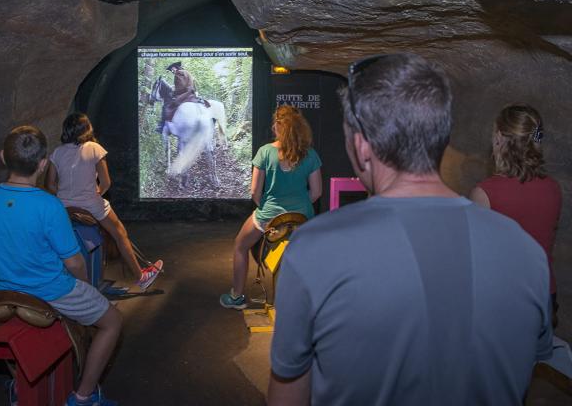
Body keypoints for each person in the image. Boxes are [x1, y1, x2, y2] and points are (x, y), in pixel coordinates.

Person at [268, 54, 553, 405]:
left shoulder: (314, 248)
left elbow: (289, 387)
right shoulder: (528, 254)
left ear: (361, 145)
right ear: (439, 136)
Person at [0, 125, 121, 406]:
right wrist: (87, 287)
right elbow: (74, 261)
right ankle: (83, 396)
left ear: (3, 158)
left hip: (1, 291)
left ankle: (20, 384)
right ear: (43, 165)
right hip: (48, 291)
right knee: (112, 323)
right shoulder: (49, 206)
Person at [220, 105, 322, 309]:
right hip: (301, 217)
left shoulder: (265, 152)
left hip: (270, 216)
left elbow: (254, 192)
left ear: (277, 126)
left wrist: (265, 209)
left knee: (240, 245)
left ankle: (237, 296)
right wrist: (297, 208)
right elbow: (317, 192)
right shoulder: (310, 154)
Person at [46, 113, 162, 291]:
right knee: (119, 233)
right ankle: (141, 277)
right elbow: (106, 182)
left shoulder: (57, 152)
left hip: (64, 206)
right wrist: (94, 193)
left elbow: (50, 184)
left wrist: (66, 195)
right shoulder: (94, 148)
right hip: (90, 204)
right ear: (86, 129)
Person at [470, 103, 562, 324]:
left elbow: (478, 258)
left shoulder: (484, 193)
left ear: (500, 138)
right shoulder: (553, 188)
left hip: (504, 302)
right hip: (544, 298)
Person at [156, 62, 210, 133]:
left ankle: (163, 126)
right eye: (171, 70)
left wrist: (174, 91)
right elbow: (192, 84)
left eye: (172, 69)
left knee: (167, 106)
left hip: (185, 95)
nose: (172, 71)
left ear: (176, 67)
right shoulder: (187, 72)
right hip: (191, 94)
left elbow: (181, 87)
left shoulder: (178, 73)